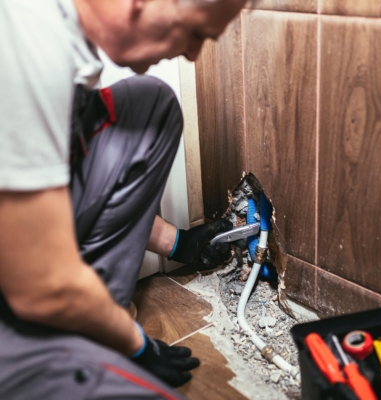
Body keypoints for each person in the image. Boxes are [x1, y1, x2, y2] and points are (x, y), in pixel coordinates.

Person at [0, 0, 247, 398]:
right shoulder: (25, 44)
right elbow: (39, 287)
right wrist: (136, 345)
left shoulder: (67, 37)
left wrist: (179, 243)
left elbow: (53, 194)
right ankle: (69, 336)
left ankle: (86, 323)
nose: (193, 52)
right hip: (25, 287)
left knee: (150, 108)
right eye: (196, 32)